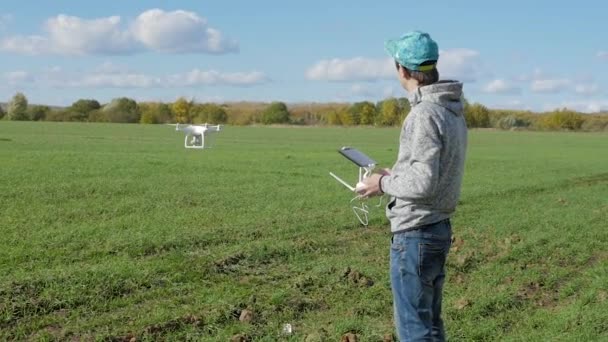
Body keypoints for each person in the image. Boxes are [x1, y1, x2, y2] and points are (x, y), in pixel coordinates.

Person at [358, 31, 468, 341]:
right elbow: (434, 168)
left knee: (414, 330)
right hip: (437, 228)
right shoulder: (451, 109)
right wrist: (399, 173)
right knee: (430, 324)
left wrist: (383, 182)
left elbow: (422, 184)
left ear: (402, 70)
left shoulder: (423, 114)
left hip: (416, 234)